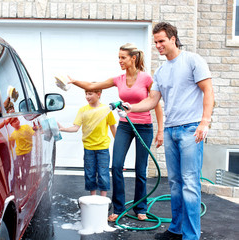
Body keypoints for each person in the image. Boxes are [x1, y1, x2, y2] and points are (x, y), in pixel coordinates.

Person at [122, 22, 214, 240]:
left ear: (173, 39)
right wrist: (131, 107)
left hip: (192, 129)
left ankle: (191, 236)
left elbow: (208, 90)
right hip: (172, 130)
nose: (158, 45)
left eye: (161, 41)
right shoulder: (161, 71)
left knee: (190, 184)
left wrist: (205, 122)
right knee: (175, 183)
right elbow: (153, 100)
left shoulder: (193, 60)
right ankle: (176, 229)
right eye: (155, 42)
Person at [68, 43, 164, 222]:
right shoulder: (118, 79)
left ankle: (140, 207)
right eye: (118, 57)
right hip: (125, 125)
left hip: (144, 127)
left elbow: (155, 103)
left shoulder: (146, 79)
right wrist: (74, 82)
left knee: (141, 170)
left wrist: (160, 131)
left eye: (123, 57)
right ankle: (119, 208)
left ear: (133, 58)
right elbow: (92, 85)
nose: (119, 61)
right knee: (117, 165)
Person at [58, 88, 117, 197]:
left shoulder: (106, 109)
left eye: (90, 94)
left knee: (103, 174)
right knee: (90, 174)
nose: (87, 96)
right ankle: (93, 198)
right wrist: (63, 128)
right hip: (88, 148)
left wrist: (118, 144)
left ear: (98, 94)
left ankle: (103, 200)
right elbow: (76, 127)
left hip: (102, 148)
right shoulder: (83, 110)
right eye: (86, 94)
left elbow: (113, 127)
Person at [9, 117, 35, 192]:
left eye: (16, 120)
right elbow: (12, 143)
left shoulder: (26, 127)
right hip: (19, 153)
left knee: (26, 168)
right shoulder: (13, 134)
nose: (16, 122)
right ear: (12, 125)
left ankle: (23, 182)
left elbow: (34, 134)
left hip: (28, 152)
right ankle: (19, 182)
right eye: (14, 122)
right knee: (18, 168)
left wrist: (38, 130)